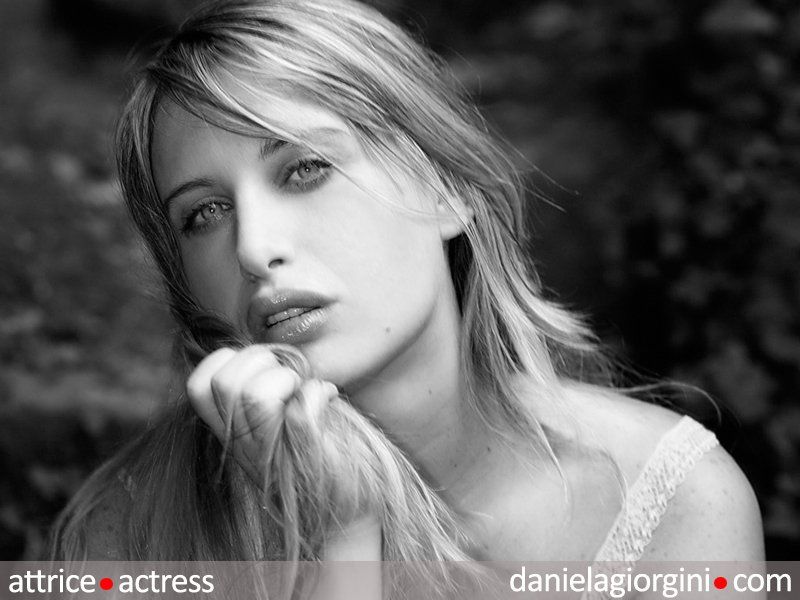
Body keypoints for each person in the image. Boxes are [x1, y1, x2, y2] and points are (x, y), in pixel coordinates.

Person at [51, 0, 764, 594]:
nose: (252, 248)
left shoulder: (675, 500)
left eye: (304, 169)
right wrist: (341, 542)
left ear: (446, 187)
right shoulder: (128, 539)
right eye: (204, 213)